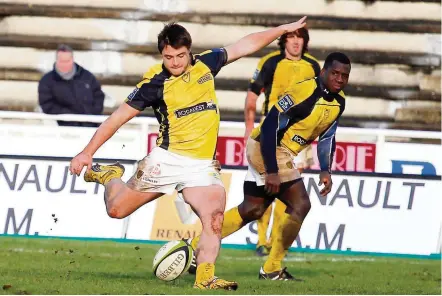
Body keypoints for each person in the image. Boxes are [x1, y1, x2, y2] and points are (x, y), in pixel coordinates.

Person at [69, 18, 308, 290]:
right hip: (167, 160)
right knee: (116, 210)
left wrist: (281, 30)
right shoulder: (154, 83)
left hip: (201, 166)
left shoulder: (207, 63)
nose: (175, 63)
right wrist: (87, 153)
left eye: (180, 56)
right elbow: (117, 118)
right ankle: (110, 176)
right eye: (168, 57)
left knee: (214, 216)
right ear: (162, 55)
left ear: (189, 51)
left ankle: (205, 277)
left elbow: (246, 44)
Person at [190, 52, 351, 280]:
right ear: (323, 72)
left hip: (280, 153)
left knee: (251, 209)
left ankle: (193, 247)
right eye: (335, 73)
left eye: (345, 75)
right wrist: (273, 171)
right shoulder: (303, 91)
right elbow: (268, 128)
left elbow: (327, 137)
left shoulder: (339, 101)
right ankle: (272, 268)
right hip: (267, 147)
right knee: (301, 204)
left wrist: (326, 168)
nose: (339, 79)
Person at [244, 27, 320, 257]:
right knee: (266, 186)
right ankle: (261, 241)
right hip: (271, 133)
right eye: (291, 37)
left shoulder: (314, 66)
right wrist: (249, 128)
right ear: (283, 40)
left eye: (300, 38)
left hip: (299, 135)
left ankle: (277, 241)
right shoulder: (269, 62)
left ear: (305, 41)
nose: (296, 42)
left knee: (289, 191)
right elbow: (251, 97)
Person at [38, 44, 105, 127]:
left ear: (72, 60)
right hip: (64, 127)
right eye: (62, 61)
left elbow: (98, 95)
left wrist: (93, 114)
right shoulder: (47, 81)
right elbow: (47, 104)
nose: (64, 64)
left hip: (91, 125)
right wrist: (67, 116)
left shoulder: (87, 77)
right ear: (56, 60)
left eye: (67, 61)